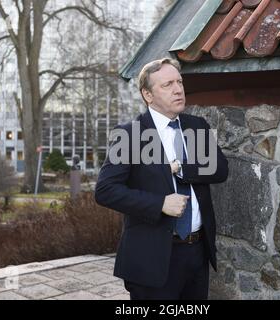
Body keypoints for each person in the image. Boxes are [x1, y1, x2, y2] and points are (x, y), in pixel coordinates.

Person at [95, 58, 228, 300]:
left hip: (197, 252)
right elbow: (105, 190)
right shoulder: (130, 134)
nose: (178, 89)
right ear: (148, 94)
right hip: (151, 259)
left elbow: (220, 170)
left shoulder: (196, 126)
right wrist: (160, 204)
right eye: (167, 85)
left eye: (179, 82)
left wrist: (180, 169)